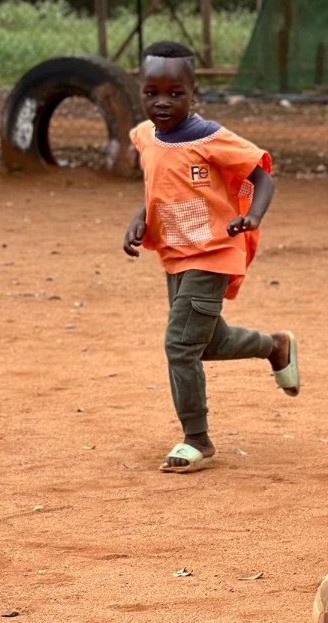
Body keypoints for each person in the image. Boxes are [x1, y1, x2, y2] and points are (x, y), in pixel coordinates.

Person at [122, 41, 299, 474]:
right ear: (140, 91)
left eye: (175, 92)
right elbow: (160, 186)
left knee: (180, 346)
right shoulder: (145, 136)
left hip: (215, 253)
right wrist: (140, 218)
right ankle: (274, 346)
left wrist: (253, 217)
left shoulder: (212, 140)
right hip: (175, 256)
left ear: (193, 92)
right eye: (151, 92)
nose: (162, 102)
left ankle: (196, 439)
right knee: (207, 343)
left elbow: (262, 175)